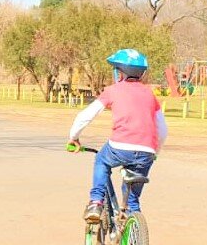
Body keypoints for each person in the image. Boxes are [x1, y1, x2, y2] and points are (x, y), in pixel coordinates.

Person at [68, 49, 167, 222]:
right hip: (146, 152)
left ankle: (96, 202)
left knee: (101, 160)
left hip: (120, 147)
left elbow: (85, 116)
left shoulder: (113, 90)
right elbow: (163, 129)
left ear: (119, 72)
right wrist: (154, 153)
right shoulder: (150, 95)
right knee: (132, 201)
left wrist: (74, 137)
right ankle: (133, 237)